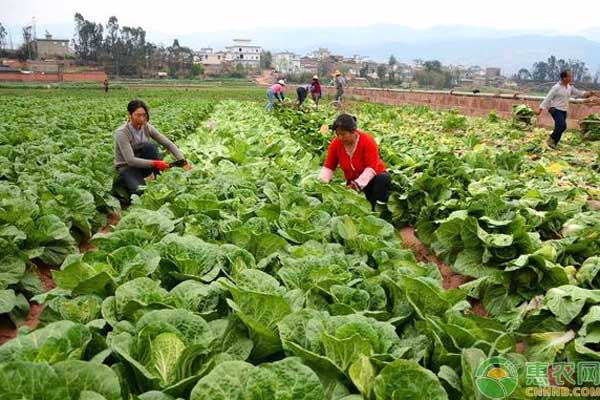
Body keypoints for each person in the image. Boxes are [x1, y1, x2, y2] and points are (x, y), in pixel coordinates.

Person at [114, 99, 187, 196]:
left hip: (144, 165)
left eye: (144, 115)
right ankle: (130, 180)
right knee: (140, 192)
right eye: (138, 115)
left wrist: (182, 161)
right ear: (129, 114)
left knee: (150, 146)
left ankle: (156, 177)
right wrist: (155, 163)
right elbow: (130, 160)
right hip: (128, 167)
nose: (142, 118)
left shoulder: (146, 127)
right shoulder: (122, 133)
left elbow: (168, 144)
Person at [319, 114, 391, 211]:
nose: (340, 137)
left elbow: (371, 169)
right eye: (337, 134)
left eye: (343, 134)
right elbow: (329, 167)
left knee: (382, 179)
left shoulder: (368, 141)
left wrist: (354, 186)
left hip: (373, 179)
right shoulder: (336, 144)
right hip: (353, 180)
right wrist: (320, 185)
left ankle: (377, 212)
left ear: (353, 131)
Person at [535, 69, 595, 149]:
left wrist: (588, 93)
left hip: (564, 110)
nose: (571, 78)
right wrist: (540, 110)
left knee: (559, 127)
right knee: (562, 126)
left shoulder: (569, 87)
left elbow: (579, 92)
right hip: (555, 109)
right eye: (569, 76)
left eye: (571, 76)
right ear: (564, 78)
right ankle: (551, 139)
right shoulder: (556, 87)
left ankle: (553, 144)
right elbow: (547, 98)